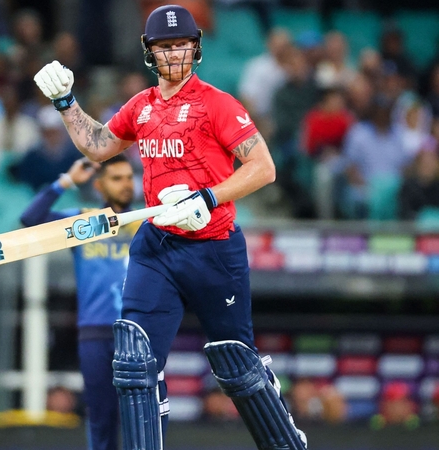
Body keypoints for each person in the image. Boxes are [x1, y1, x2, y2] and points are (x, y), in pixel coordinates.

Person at [33, 4, 307, 450]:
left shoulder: (218, 104)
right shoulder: (141, 107)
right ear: (149, 52)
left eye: (182, 45)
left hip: (214, 248)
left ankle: (285, 444)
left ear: (196, 49)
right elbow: (99, 146)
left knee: (237, 366)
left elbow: (263, 168)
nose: (175, 54)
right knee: (134, 362)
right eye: (165, 46)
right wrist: (66, 103)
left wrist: (209, 196)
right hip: (157, 247)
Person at [19, 155, 136, 450]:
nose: (126, 185)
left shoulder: (145, 223)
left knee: (141, 417)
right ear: (99, 185)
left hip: (139, 334)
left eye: (129, 177)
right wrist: (67, 180)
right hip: (95, 332)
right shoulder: (84, 223)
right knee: (100, 416)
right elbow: (31, 219)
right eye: (117, 178)